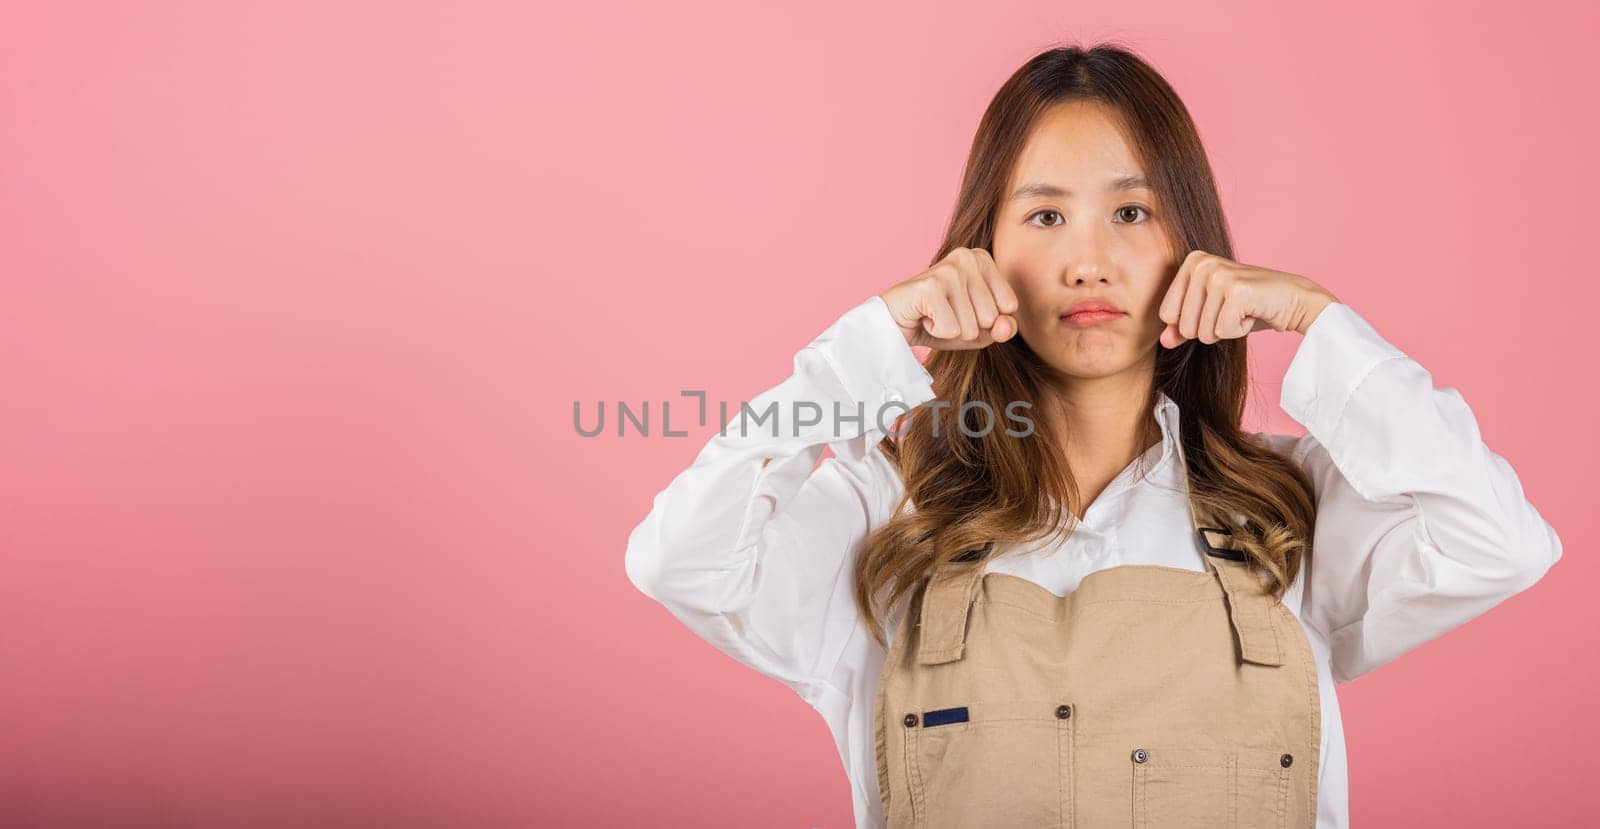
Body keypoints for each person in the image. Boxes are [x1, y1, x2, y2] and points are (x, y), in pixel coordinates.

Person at [623, 44, 1562, 828]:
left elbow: (1499, 542)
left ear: (1191, 241)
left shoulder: (1284, 511)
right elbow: (682, 563)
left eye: (1131, 211)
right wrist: (858, 353)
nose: (1088, 260)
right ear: (979, 251)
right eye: (1044, 215)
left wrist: (1322, 326)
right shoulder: (887, 511)